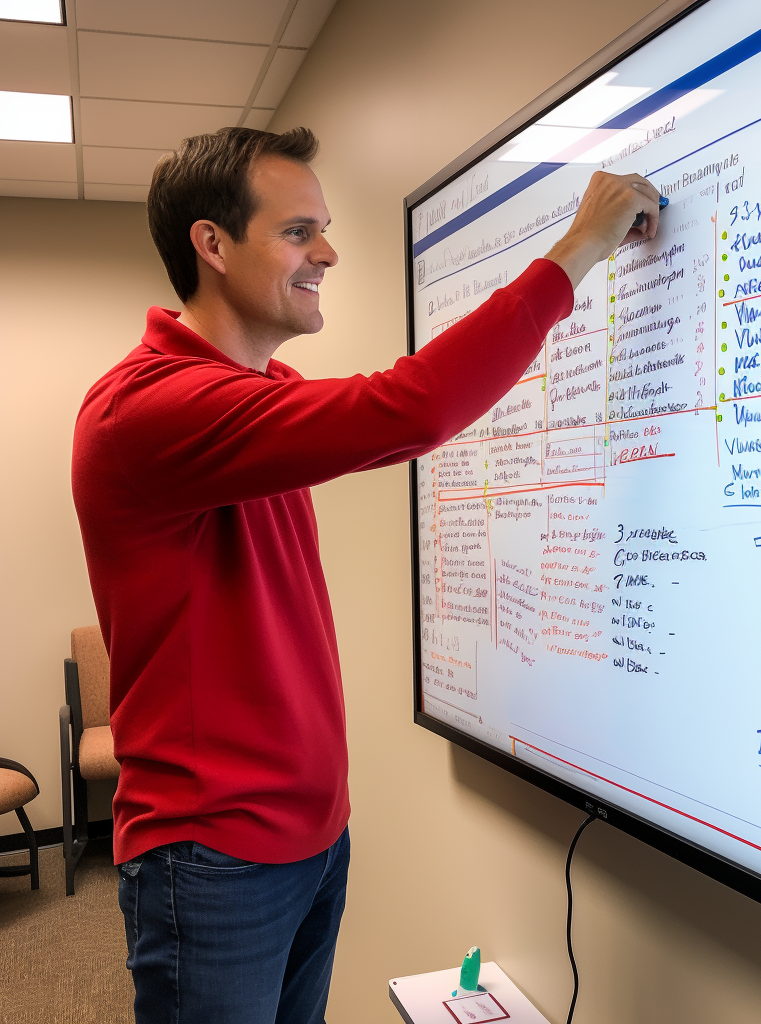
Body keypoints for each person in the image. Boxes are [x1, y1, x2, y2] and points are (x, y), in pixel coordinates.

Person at [71, 125, 662, 1024]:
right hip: (213, 855)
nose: (329, 253)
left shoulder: (252, 394)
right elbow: (415, 406)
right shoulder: (150, 409)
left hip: (309, 840)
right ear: (213, 244)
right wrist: (578, 249)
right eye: (300, 232)